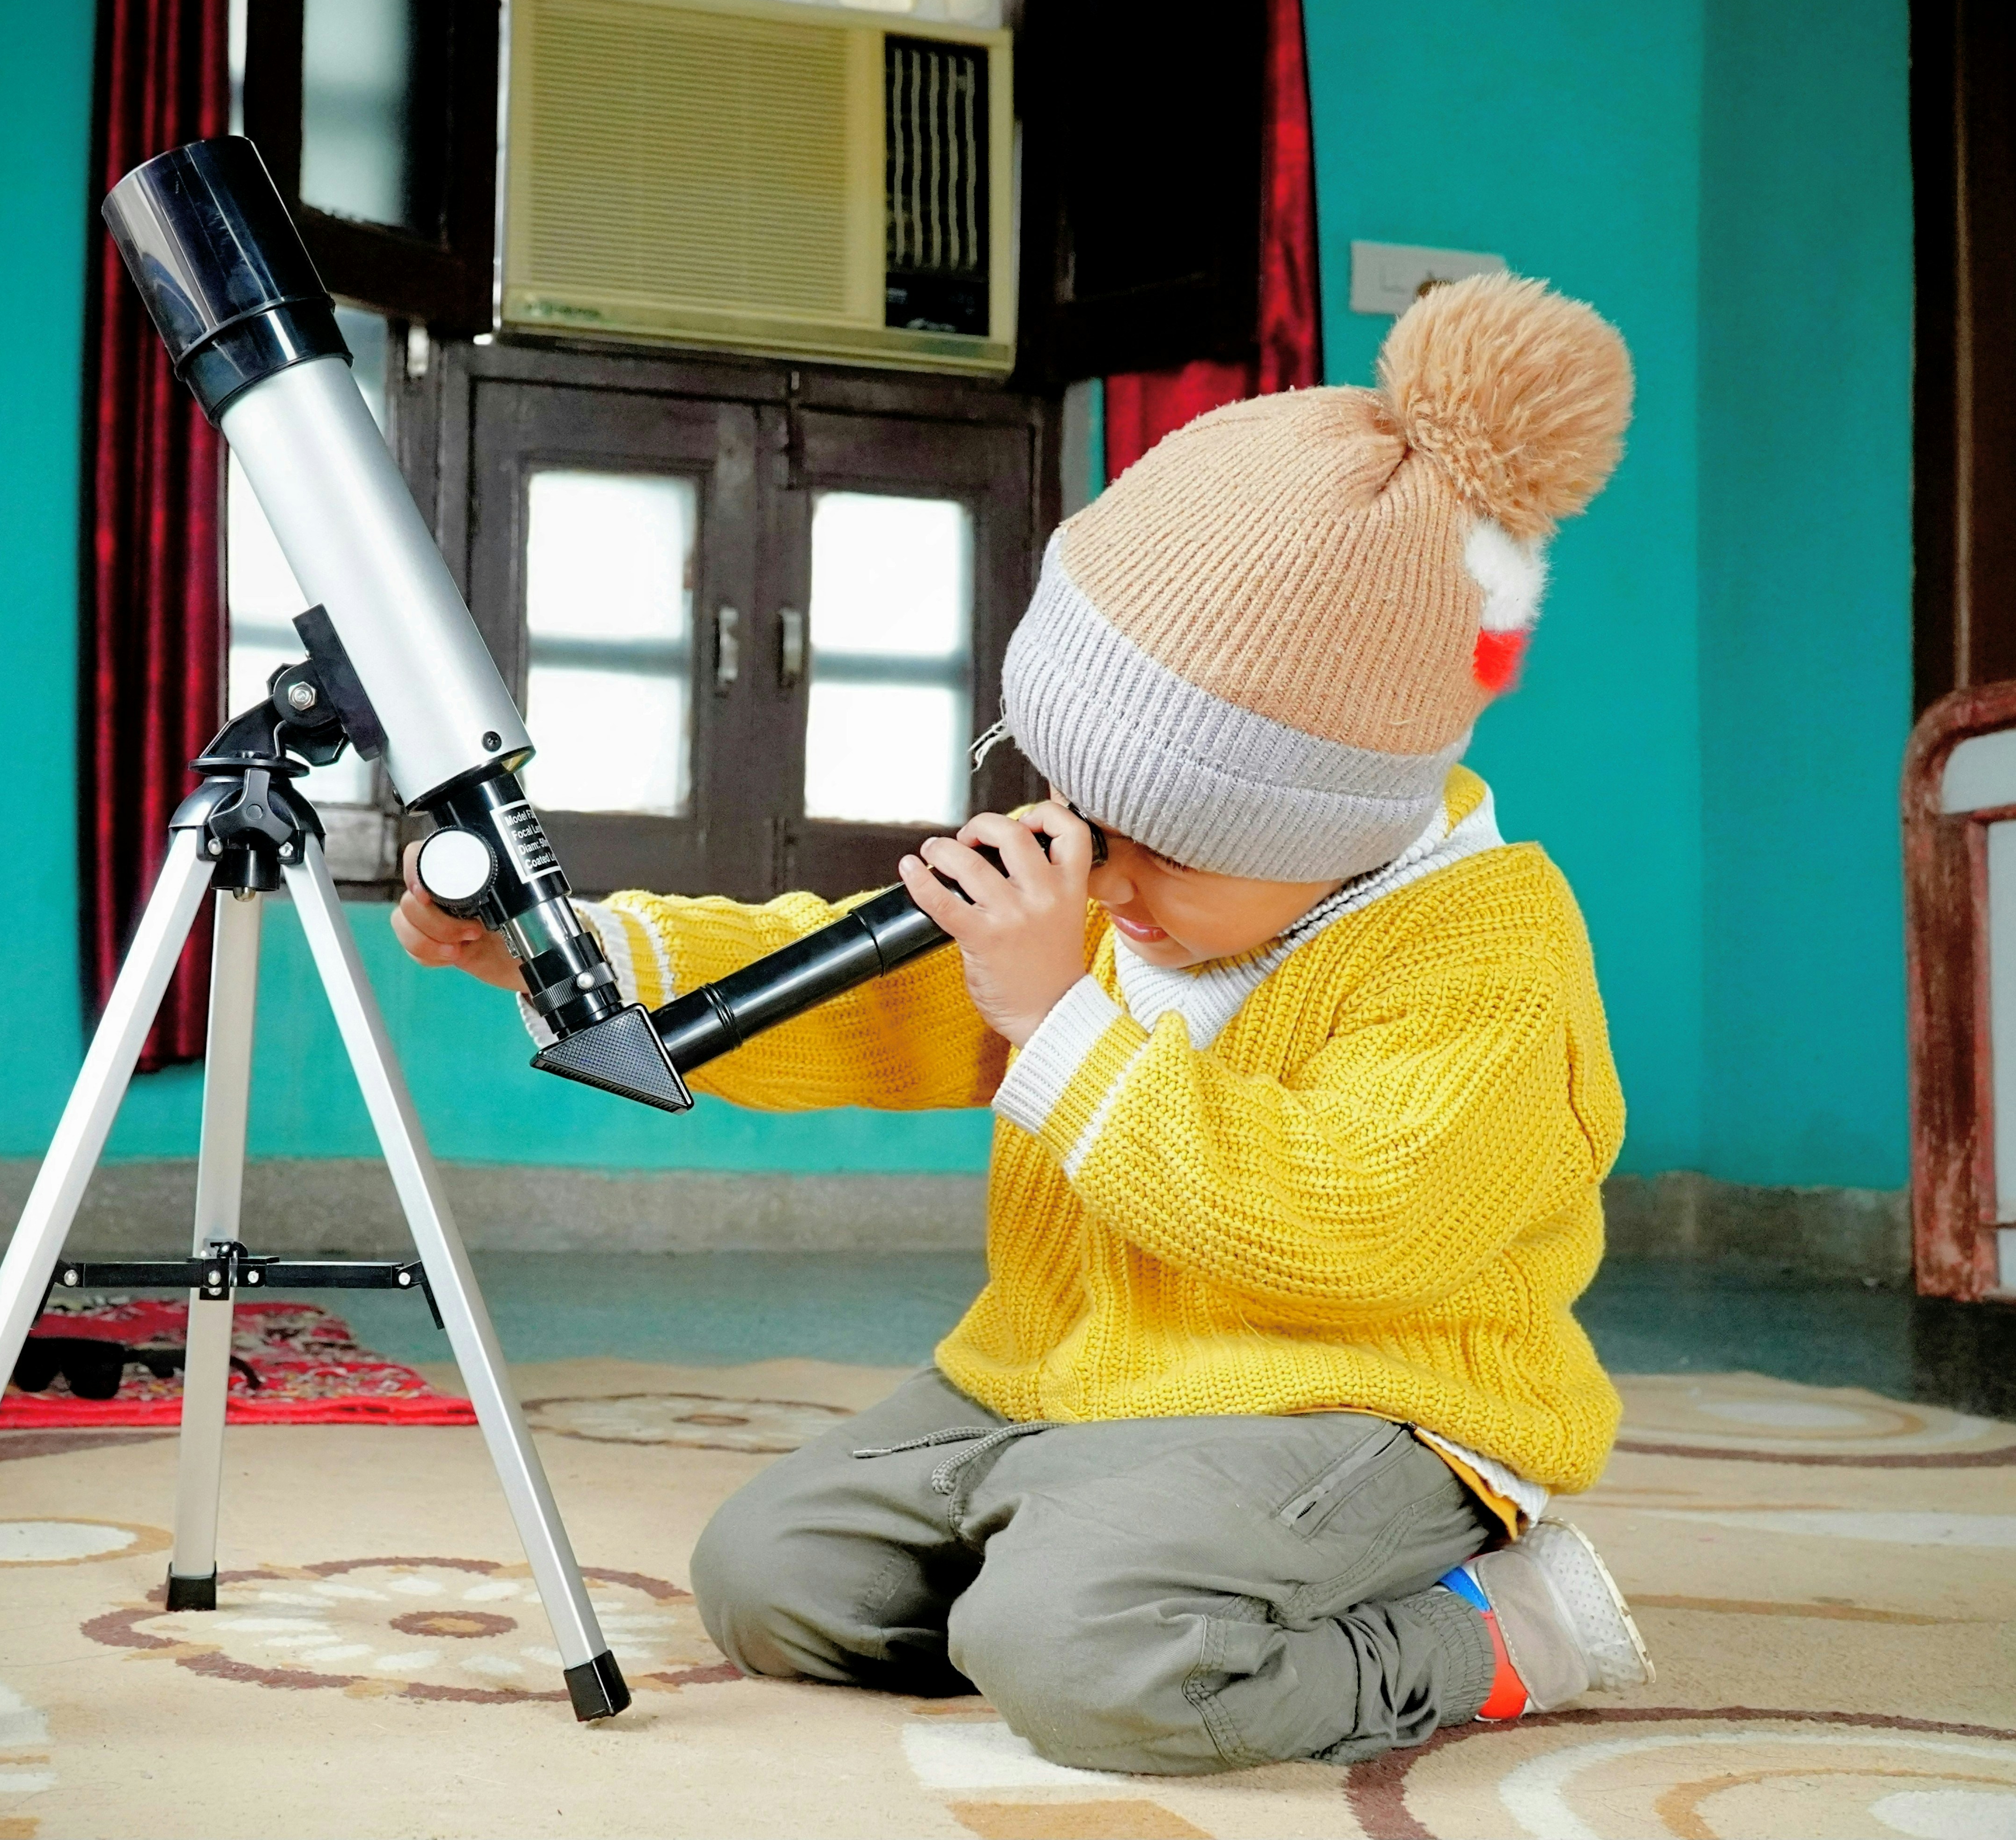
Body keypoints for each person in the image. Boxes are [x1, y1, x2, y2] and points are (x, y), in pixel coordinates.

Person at [390, 273, 1652, 1774]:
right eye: (1072, 804)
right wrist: (562, 951)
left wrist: (1056, 1015)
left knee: (1082, 1659)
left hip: (1367, 1405)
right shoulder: (1137, 899)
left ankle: (1494, 1626)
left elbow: (1348, 1228)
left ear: (1338, 821)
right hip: (1078, 1389)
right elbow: (868, 993)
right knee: (773, 1583)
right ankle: (1105, 1576)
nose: (1095, 874)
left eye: (1158, 844)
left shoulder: (1483, 948)